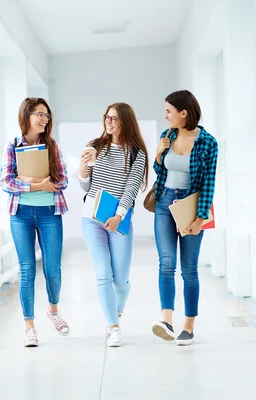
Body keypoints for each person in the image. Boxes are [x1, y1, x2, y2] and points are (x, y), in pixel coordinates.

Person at [0, 97, 70, 347]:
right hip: (20, 215)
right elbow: (6, 182)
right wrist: (36, 184)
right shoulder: (13, 145)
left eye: (46, 115)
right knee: (27, 270)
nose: (44, 119)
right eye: (39, 114)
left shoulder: (52, 145)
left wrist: (38, 181)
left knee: (53, 270)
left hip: (49, 213)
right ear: (27, 116)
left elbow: (63, 181)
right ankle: (29, 326)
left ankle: (53, 309)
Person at [150, 90, 218, 346]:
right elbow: (160, 171)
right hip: (164, 202)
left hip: (190, 206)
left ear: (183, 113)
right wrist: (158, 154)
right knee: (166, 263)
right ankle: (167, 321)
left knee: (189, 269)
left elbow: (209, 183)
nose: (166, 116)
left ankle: (188, 326)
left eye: (169, 111)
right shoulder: (167, 135)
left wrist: (201, 219)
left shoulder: (208, 142)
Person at [79, 102, 148, 347]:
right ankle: (113, 326)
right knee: (102, 272)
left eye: (114, 118)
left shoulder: (136, 152)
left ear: (125, 121)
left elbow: (131, 189)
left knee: (120, 280)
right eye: (107, 117)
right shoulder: (95, 146)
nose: (109, 122)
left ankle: (115, 312)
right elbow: (86, 187)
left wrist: (118, 215)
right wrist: (83, 171)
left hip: (119, 219)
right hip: (91, 217)